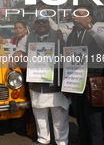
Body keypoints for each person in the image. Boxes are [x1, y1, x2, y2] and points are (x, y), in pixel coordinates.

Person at [14, 14, 69, 145]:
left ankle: (62, 141)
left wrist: (62, 41)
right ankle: (43, 139)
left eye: (44, 21)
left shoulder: (59, 35)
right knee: (39, 112)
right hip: (36, 83)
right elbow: (20, 51)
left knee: (59, 114)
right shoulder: (28, 38)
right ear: (34, 25)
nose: (41, 24)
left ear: (49, 23)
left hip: (56, 82)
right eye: (38, 22)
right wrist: (16, 56)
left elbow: (70, 50)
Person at [65, 5, 104, 145]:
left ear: (89, 18)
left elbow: (103, 39)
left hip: (93, 84)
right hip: (77, 85)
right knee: (81, 121)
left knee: (95, 123)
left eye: (78, 14)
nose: (74, 16)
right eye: (73, 14)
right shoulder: (72, 34)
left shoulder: (96, 32)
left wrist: (89, 26)